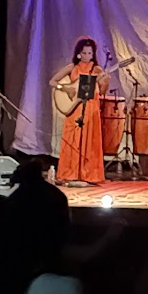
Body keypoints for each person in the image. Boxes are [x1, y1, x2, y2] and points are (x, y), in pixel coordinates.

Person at [50, 37, 106, 185]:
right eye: (85, 53)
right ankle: (70, 173)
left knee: (90, 140)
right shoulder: (72, 68)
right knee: (73, 141)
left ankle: (89, 174)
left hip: (91, 108)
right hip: (75, 108)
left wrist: (104, 81)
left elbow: (102, 91)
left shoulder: (97, 69)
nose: (88, 56)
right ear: (79, 54)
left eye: (90, 53)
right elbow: (53, 81)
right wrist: (65, 88)